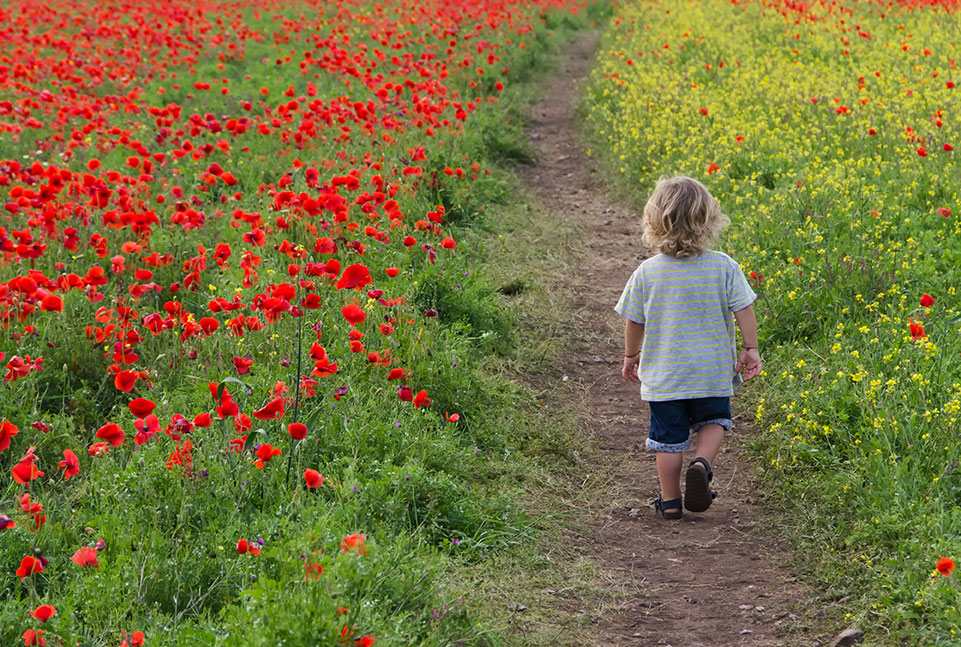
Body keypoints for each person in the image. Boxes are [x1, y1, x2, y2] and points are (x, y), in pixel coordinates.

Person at [615, 176, 761, 520]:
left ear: (654, 222)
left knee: (666, 440)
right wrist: (750, 348)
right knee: (714, 422)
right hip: (711, 371)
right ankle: (701, 463)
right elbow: (745, 309)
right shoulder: (723, 266)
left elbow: (634, 321)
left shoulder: (646, 273)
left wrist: (631, 356)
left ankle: (669, 501)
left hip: (666, 377)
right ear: (709, 221)